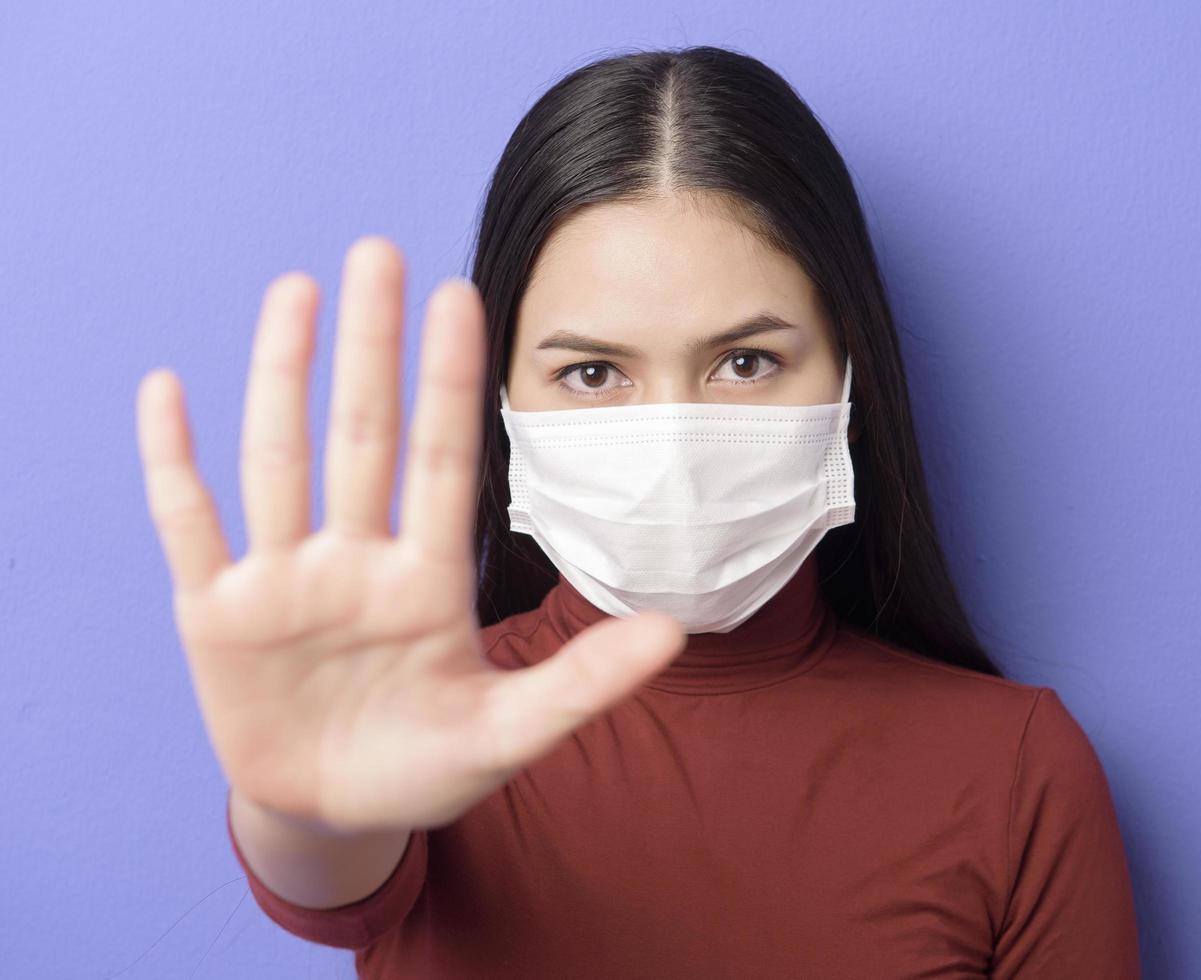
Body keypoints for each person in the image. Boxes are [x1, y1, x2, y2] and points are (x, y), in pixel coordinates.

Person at [134, 45, 1141, 978]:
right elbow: (330, 865)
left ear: (851, 379)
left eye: (746, 361)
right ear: (504, 401)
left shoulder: (1017, 770)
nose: (671, 439)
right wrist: (300, 802)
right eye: (594, 371)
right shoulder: (428, 724)